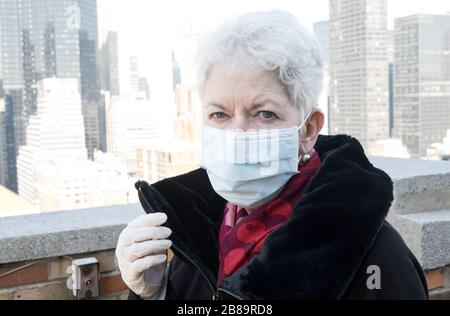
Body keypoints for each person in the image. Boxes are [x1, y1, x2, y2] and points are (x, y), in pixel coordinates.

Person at [115, 10, 428, 300]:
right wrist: (153, 294)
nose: (237, 135)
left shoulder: (376, 258)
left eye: (264, 114)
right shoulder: (196, 240)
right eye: (220, 115)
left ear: (307, 130)